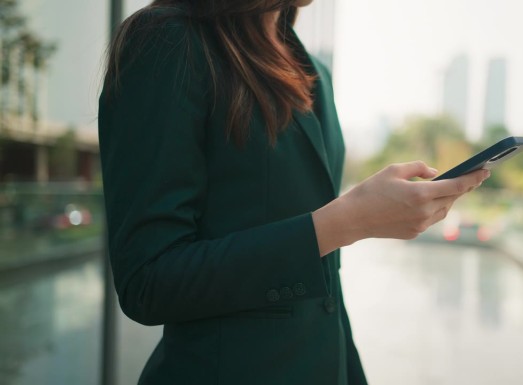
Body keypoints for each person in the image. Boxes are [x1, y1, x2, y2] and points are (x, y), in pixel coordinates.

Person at [98, 0, 490, 384]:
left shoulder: (314, 70)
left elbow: (326, 297)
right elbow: (147, 282)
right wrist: (347, 222)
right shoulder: (169, 40)